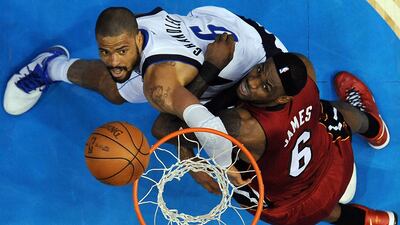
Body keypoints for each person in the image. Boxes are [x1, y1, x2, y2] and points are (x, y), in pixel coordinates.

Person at [3, 6, 286, 167]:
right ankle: (50, 66)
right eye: (105, 52)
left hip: (252, 48)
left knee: (263, 124)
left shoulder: (159, 82)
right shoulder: (136, 41)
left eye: (121, 51)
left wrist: (223, 163)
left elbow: (191, 121)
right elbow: (173, 122)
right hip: (225, 44)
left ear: (138, 39)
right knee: (114, 90)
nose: (113, 61)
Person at [151, 52, 395, 225]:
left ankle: (365, 220)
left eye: (265, 86)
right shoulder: (304, 70)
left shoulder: (240, 125)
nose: (252, 82)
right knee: (332, 112)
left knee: (303, 204)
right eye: (259, 70)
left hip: (296, 203)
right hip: (334, 163)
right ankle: (375, 128)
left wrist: (212, 66)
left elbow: (162, 127)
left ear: (282, 99)